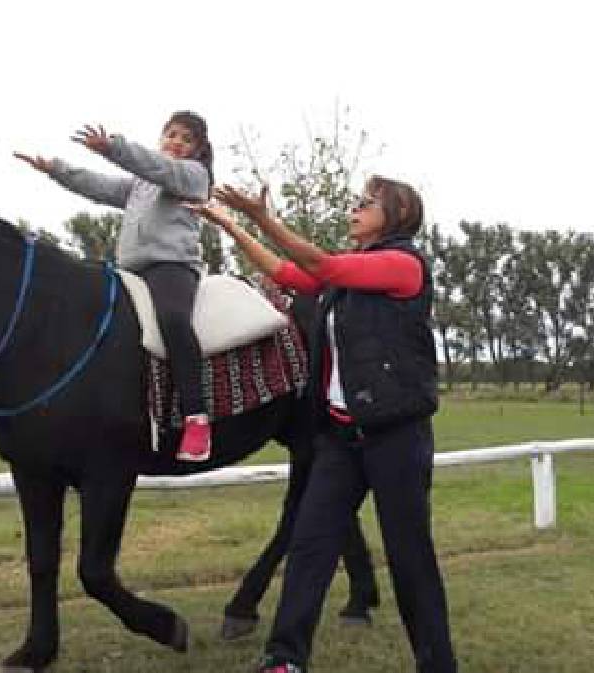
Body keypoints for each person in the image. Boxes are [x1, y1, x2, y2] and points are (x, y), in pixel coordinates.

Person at [191, 177, 456, 673]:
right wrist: (232, 224)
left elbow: (323, 265)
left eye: (365, 204)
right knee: (310, 546)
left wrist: (265, 217)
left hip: (395, 436)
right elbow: (286, 272)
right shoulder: (348, 276)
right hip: (339, 438)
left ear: (396, 215)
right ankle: (284, 660)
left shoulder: (403, 265)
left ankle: (438, 664)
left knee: (409, 559)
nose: (353, 210)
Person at [15, 111, 216, 461]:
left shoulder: (193, 177)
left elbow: (159, 168)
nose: (176, 142)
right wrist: (56, 169)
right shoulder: (140, 186)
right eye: (171, 134)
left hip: (172, 267)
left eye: (186, 139)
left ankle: (196, 417)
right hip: (130, 270)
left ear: (197, 150)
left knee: (172, 319)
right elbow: (100, 186)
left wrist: (113, 147)